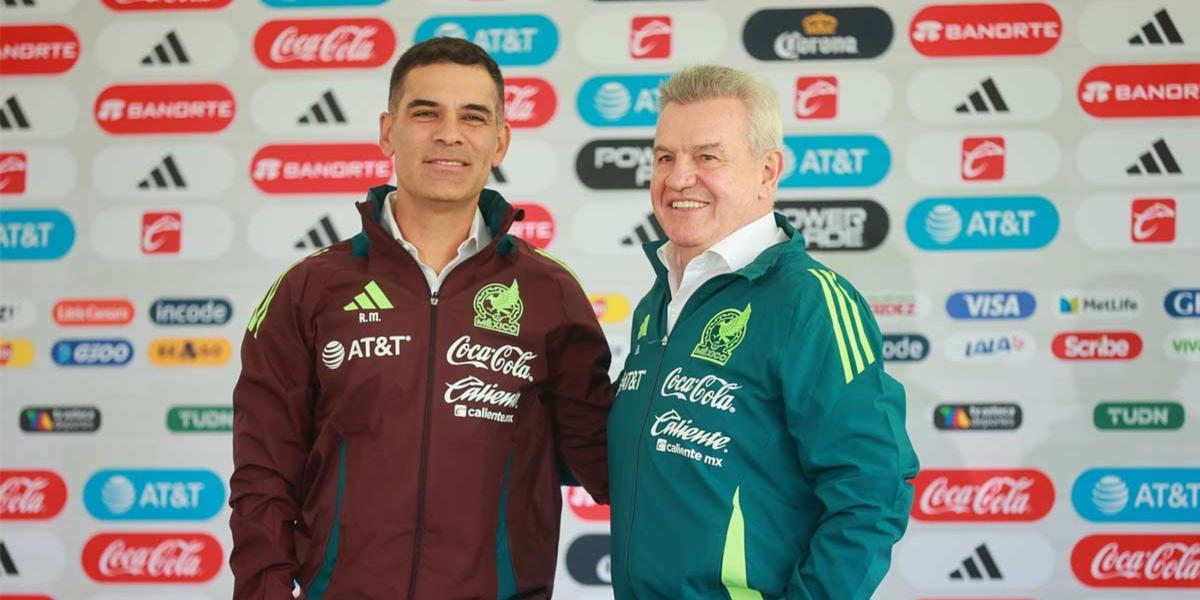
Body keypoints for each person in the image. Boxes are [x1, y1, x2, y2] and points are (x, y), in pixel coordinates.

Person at [228, 37, 613, 600]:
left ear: (500, 141)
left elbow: (614, 467)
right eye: (426, 112)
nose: (449, 134)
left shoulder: (550, 294)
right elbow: (262, 475)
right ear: (388, 131)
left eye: (473, 117)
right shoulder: (309, 288)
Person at [607, 64, 919, 600]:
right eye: (665, 157)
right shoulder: (658, 302)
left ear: (767, 171)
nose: (679, 178)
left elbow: (872, 493)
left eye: (707, 156)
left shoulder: (810, 301)